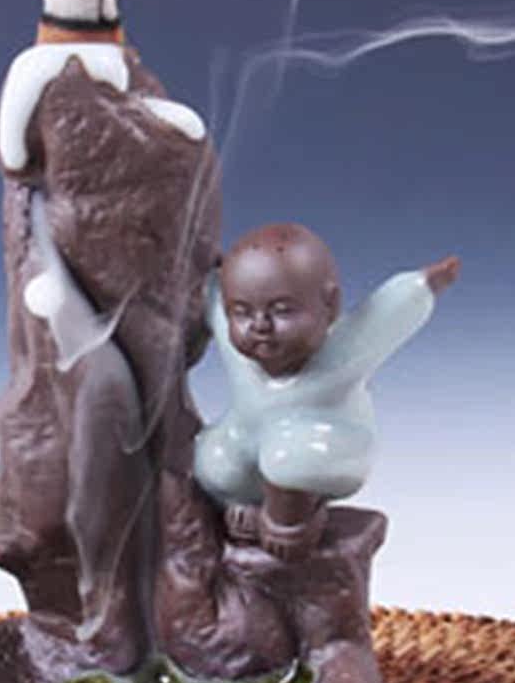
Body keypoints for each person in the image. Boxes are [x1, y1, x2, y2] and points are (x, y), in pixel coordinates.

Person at [194, 223, 459, 561]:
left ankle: (291, 518)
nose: (260, 325)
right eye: (242, 312)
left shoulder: (344, 351)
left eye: (282, 310)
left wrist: (428, 281)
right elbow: (213, 294)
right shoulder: (243, 356)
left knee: (292, 456)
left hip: (326, 442)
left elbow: (387, 311)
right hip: (249, 440)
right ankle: (246, 503)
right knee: (214, 462)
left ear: (329, 305)